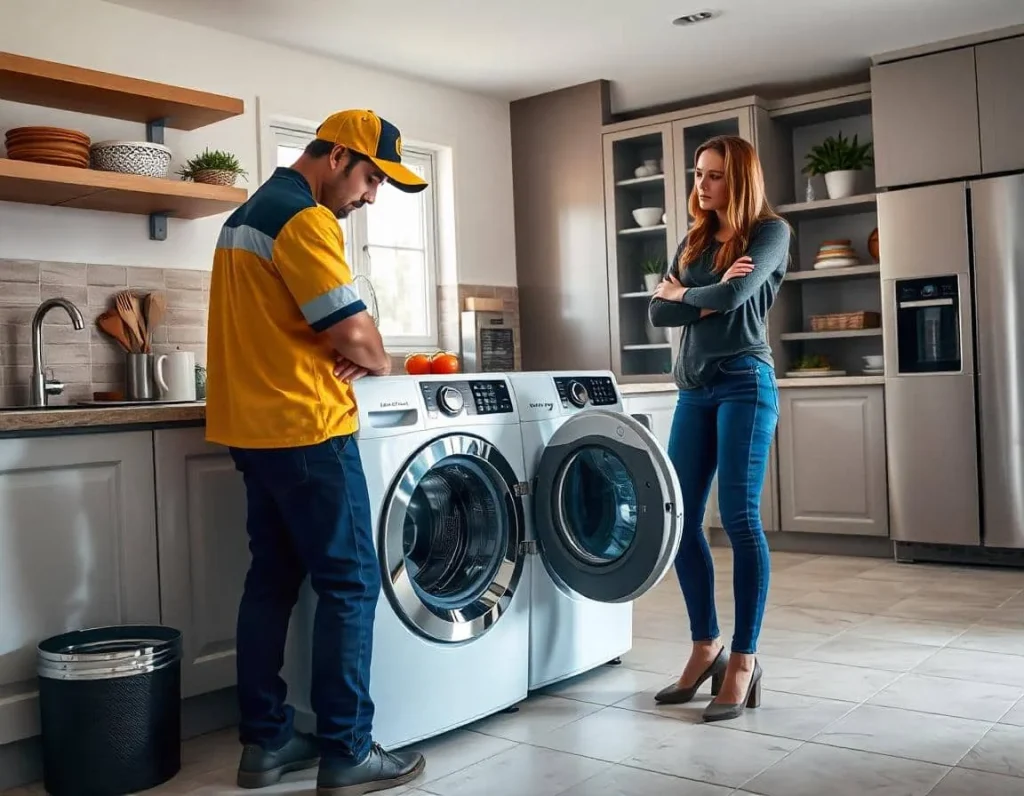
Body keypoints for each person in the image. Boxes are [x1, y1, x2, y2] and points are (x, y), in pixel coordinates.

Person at [206, 109, 428, 795]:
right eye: (370, 178)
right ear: (335, 157)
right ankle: (348, 751)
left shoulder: (244, 217)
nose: (371, 197)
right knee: (351, 583)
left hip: (252, 430)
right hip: (307, 429)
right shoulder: (304, 219)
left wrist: (358, 340)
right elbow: (357, 338)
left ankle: (267, 742)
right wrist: (378, 356)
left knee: (271, 581)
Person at [647, 135, 789, 723]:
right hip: (694, 390)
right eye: (698, 174)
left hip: (744, 384)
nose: (701, 185)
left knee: (738, 519)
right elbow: (657, 310)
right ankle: (706, 646)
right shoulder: (693, 240)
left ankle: (745, 658)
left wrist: (688, 293)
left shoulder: (770, 233)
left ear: (740, 179)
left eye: (714, 175)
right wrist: (700, 296)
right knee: (679, 520)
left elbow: (735, 296)